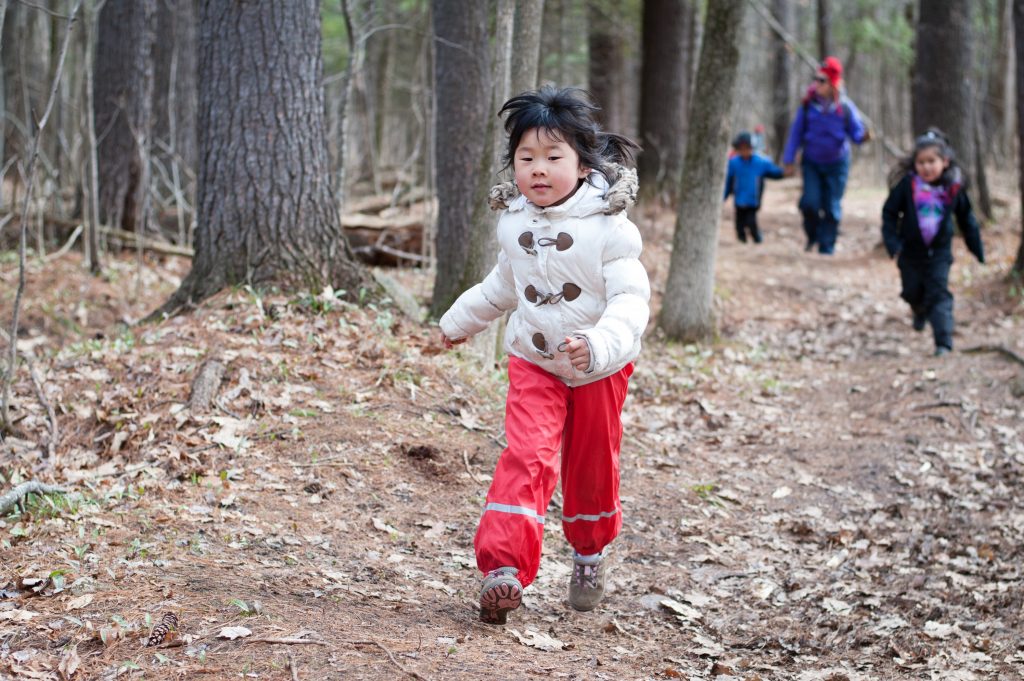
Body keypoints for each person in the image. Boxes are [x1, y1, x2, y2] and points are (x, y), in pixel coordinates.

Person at [439, 86, 649, 626]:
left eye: (553, 157)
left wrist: (600, 343)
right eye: (526, 158)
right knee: (526, 453)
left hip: (598, 365)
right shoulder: (514, 220)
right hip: (534, 359)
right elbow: (503, 284)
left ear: (581, 164)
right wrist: (459, 321)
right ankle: (503, 570)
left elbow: (630, 299)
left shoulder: (610, 226)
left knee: (591, 463)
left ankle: (588, 551)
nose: (538, 169)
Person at [881, 129, 984, 356]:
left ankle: (943, 343)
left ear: (945, 162)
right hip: (909, 252)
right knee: (911, 290)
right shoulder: (908, 186)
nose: (926, 167)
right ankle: (919, 310)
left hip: (939, 253)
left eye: (932, 161)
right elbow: (889, 213)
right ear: (914, 164)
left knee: (938, 293)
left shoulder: (953, 188)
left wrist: (977, 248)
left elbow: (967, 219)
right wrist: (893, 244)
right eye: (921, 162)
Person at [782, 56, 871, 254]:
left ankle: (826, 247)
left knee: (832, 206)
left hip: (837, 163)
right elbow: (796, 134)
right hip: (812, 162)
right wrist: (789, 159)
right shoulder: (807, 106)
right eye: (816, 79)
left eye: (822, 80)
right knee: (810, 203)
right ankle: (812, 235)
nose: (817, 84)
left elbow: (856, 134)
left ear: (833, 83)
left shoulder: (845, 107)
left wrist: (864, 136)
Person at [724, 131, 784, 244]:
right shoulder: (734, 163)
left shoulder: (760, 162)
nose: (745, 151)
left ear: (752, 148)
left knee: (751, 222)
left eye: (747, 148)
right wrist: (723, 197)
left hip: (753, 200)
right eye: (742, 148)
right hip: (739, 200)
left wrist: (784, 173)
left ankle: (758, 239)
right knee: (739, 225)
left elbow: (773, 172)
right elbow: (728, 182)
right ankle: (742, 242)